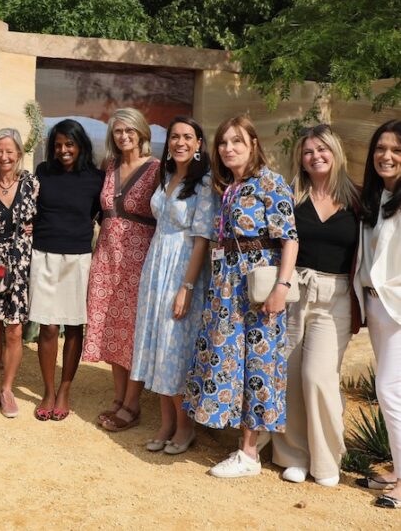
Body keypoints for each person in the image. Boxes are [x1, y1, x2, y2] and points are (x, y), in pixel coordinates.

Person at [183, 115, 298, 479]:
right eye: (223, 143)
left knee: (258, 363)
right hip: (227, 286)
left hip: (258, 284)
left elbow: (289, 238)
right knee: (231, 359)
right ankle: (248, 442)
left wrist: (282, 287)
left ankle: (248, 454)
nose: (228, 148)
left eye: (237, 142)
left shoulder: (270, 182)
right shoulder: (227, 186)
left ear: (253, 145)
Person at [271, 125, 359, 486]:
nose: (315, 156)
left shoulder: (357, 199)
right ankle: (293, 455)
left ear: (336, 153)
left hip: (334, 295)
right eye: (308, 151)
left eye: (322, 149)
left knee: (318, 377)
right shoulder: (291, 195)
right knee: (290, 376)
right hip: (295, 289)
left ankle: (326, 460)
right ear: (300, 159)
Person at [120, 117, 213, 453]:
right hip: (156, 264)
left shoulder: (205, 184)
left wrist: (187, 286)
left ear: (199, 143)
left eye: (188, 136)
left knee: (175, 347)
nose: (180, 142)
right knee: (157, 344)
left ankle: (185, 427)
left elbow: (202, 239)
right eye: (174, 136)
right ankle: (167, 423)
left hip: (182, 267)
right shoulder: (167, 176)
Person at [84, 108, 160, 430]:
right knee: (112, 327)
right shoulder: (109, 166)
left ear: (142, 133)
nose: (124, 136)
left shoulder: (156, 169)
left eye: (130, 131)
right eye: (118, 131)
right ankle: (118, 397)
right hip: (107, 257)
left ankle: (132, 404)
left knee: (132, 332)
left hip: (139, 258)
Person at [31, 119, 103, 422]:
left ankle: (64, 389)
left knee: (74, 326)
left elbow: (99, 217)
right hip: (44, 255)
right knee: (47, 327)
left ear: (80, 145)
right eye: (58, 145)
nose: (63, 150)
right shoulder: (43, 172)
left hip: (78, 259)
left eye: (69, 144)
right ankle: (48, 390)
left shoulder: (96, 178)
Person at [354, 119, 401, 508]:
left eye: (397, 151)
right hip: (375, 305)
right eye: (381, 149)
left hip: (399, 308)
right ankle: (396, 471)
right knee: (393, 393)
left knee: (388, 390)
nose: (387, 156)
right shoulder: (376, 198)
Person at [0, 128, 38, 418]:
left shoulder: (31, 183)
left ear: (18, 154)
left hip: (20, 260)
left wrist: (36, 228)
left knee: (14, 330)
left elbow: (45, 216)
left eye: (9, 151)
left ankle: (8, 389)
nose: (4, 156)